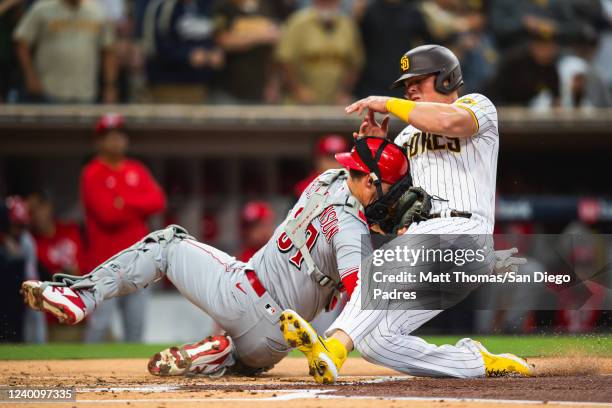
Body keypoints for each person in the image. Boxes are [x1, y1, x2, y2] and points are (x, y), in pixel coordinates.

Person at [21, 137, 410, 376]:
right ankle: (227, 357)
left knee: (167, 243)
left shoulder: (324, 181)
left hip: (242, 292)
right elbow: (360, 298)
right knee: (255, 357)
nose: (346, 171)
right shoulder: (351, 233)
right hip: (271, 346)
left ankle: (81, 296)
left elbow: (366, 180)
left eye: (353, 168)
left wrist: (372, 143)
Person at [279, 44, 534, 384]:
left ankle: (334, 347)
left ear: (446, 79)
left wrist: (387, 103)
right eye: (406, 85)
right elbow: (385, 199)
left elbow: (449, 121)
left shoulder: (476, 106)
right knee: (375, 341)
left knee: (378, 270)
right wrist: (375, 149)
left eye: (418, 80)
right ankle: (476, 362)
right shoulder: (407, 134)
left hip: (464, 231)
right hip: (428, 244)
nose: (410, 89)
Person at [80, 113, 166, 342]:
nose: (116, 140)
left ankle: (133, 379)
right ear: (98, 141)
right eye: (109, 135)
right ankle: (83, 377)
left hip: (138, 262)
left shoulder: (136, 169)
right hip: (104, 263)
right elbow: (108, 215)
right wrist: (137, 206)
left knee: (135, 329)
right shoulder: (92, 172)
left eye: (119, 134)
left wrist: (124, 202)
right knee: (99, 326)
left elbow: (158, 201)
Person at [13, 0, 117, 103]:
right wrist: (30, 75)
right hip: (49, 90)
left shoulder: (98, 11)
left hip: (86, 92)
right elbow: (21, 41)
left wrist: (110, 86)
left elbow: (108, 50)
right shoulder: (42, 8)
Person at [276, 0, 364, 105]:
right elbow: (284, 59)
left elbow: (355, 63)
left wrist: (344, 92)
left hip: (335, 104)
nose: (327, 4)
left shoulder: (348, 25)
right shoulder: (298, 22)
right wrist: (298, 90)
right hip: (300, 104)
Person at [293, 134, 348, 198]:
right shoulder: (304, 188)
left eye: (338, 158)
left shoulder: (354, 186)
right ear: (318, 159)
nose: (333, 163)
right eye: (329, 158)